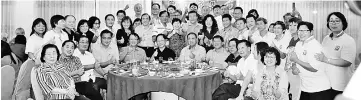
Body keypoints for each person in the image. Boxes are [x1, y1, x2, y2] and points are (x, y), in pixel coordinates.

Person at [314, 12, 356, 100]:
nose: (333, 23)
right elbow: (322, 56)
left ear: (343, 23)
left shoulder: (348, 40)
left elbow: (347, 62)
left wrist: (326, 60)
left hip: (340, 84)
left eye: (337, 21)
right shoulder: (326, 38)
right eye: (331, 21)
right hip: (326, 83)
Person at [289, 21, 332, 100]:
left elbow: (314, 68)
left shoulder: (315, 46)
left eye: (305, 31)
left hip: (319, 89)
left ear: (311, 32)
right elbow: (293, 59)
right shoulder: (298, 44)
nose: (301, 33)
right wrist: (294, 67)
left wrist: (297, 60)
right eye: (299, 30)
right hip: (305, 88)